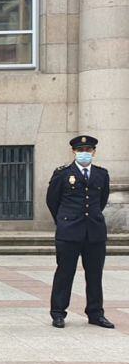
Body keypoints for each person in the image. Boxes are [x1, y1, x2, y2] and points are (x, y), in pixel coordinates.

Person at [48, 135, 114, 329]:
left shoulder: (101, 174)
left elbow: (101, 200)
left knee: (95, 274)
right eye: (80, 150)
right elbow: (52, 201)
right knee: (64, 273)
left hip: (94, 231)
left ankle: (95, 313)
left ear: (94, 152)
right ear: (74, 152)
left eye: (88, 150)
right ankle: (58, 313)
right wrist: (63, 221)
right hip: (69, 231)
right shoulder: (62, 173)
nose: (84, 153)